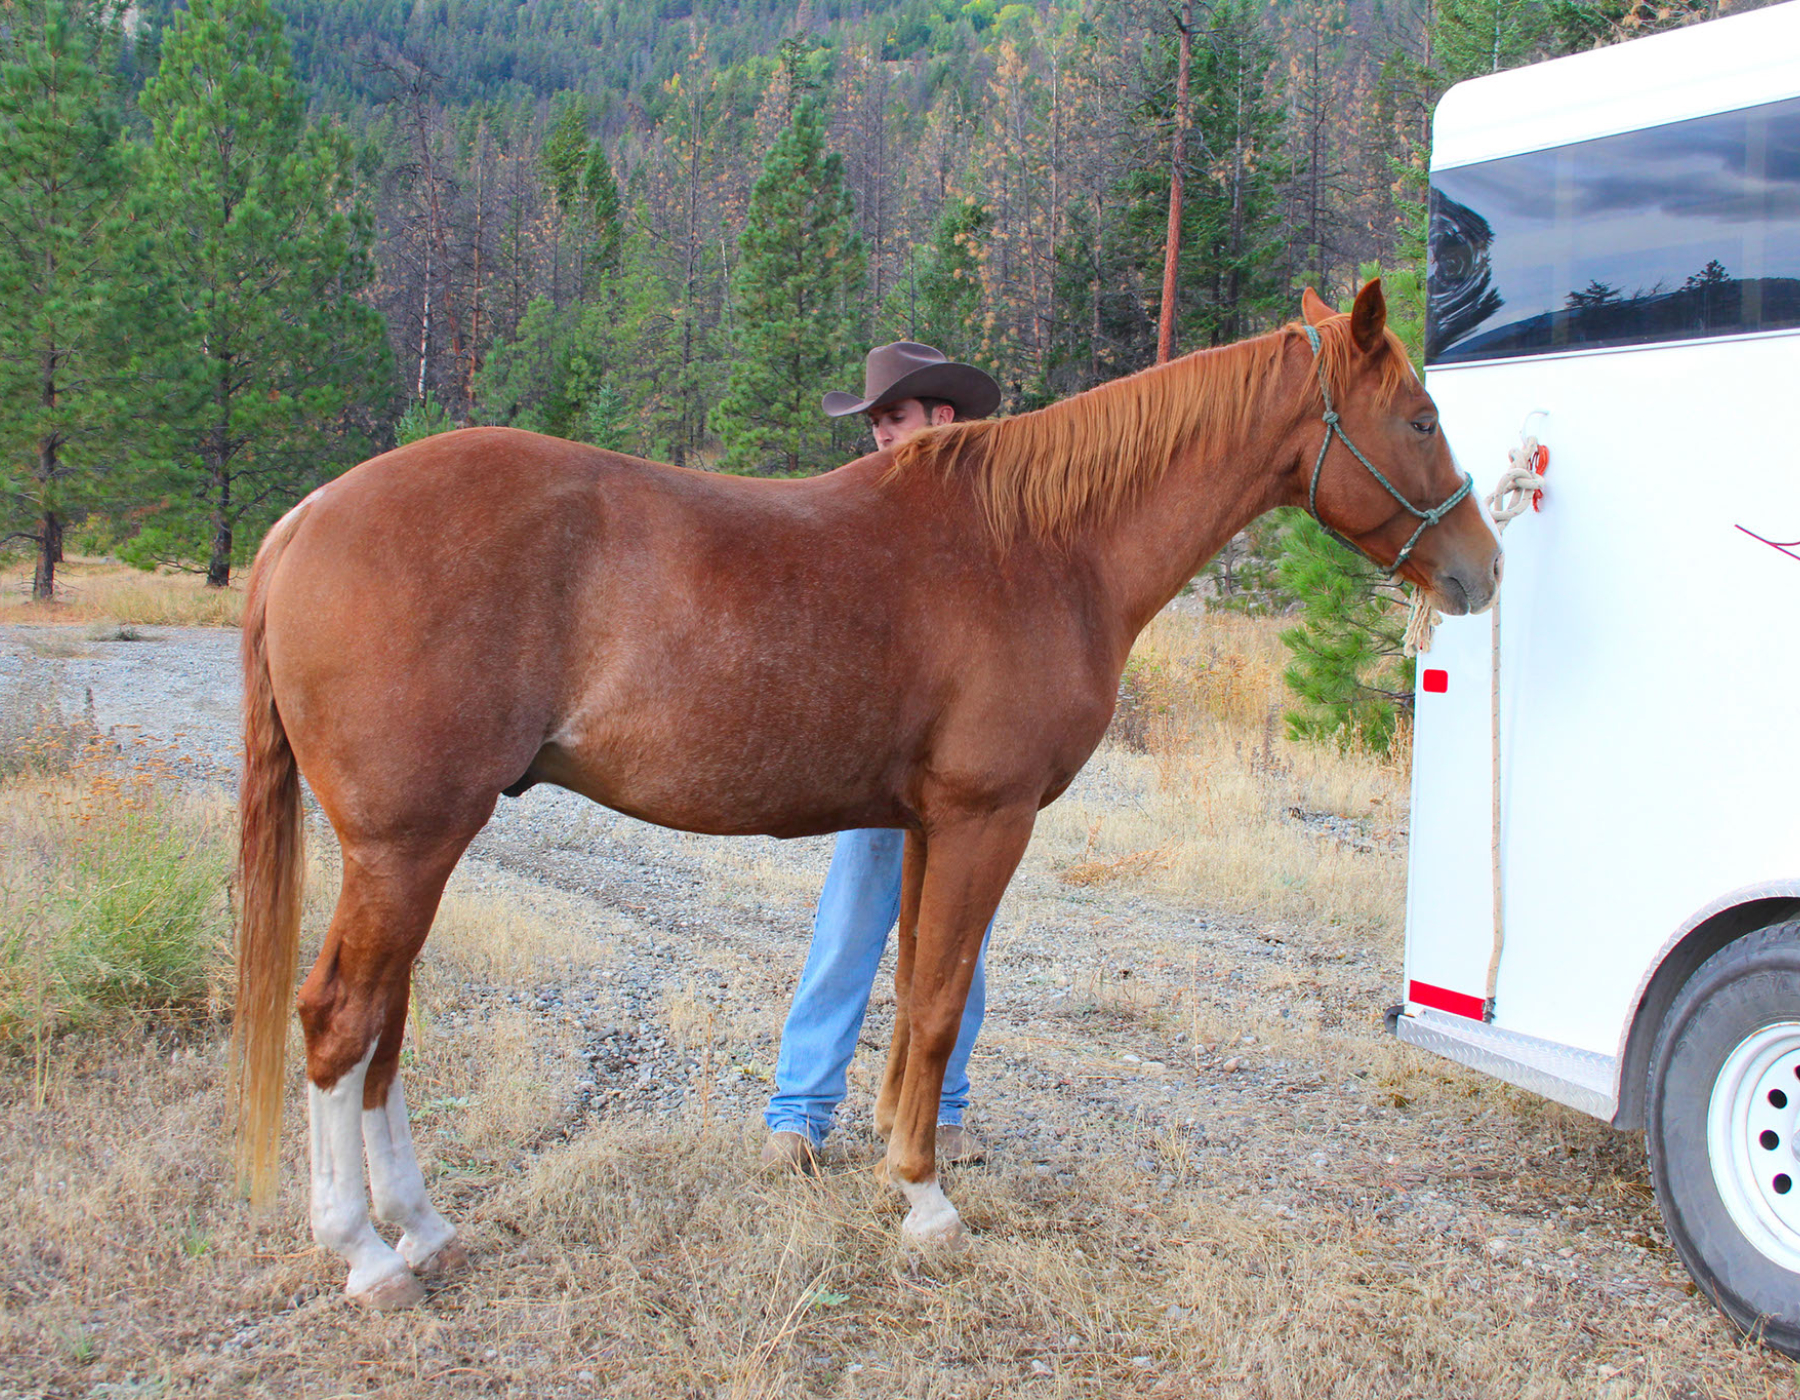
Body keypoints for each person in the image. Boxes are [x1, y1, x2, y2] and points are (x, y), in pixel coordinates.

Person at [761, 342, 1004, 1173]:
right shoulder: (870, 513)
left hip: (965, 764)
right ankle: (800, 1112)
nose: (877, 438)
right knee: (848, 934)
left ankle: (945, 1105)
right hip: (888, 764)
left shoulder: (1001, 514)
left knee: (957, 944)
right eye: (872, 424)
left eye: (890, 420)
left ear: (940, 417)